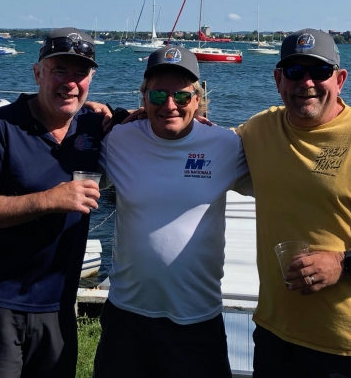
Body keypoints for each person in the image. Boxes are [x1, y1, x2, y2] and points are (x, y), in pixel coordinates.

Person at [234, 28, 351, 377]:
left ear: (340, 79)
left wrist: (343, 262)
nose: (306, 82)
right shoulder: (259, 130)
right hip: (276, 339)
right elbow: (195, 139)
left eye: (319, 71)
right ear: (278, 79)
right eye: (294, 71)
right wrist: (131, 117)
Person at [92, 45, 251, 378]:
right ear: (144, 97)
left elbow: (282, 179)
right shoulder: (119, 139)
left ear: (197, 98)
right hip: (127, 315)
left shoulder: (225, 144)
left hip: (197, 319)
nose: (169, 106)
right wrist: (108, 113)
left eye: (181, 97)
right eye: (158, 95)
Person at [0, 27, 108, 378]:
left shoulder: (94, 124)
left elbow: (153, 117)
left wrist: (184, 118)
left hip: (59, 305)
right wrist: (49, 200)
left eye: (80, 73)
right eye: (59, 71)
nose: (70, 83)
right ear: (38, 73)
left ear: (90, 79)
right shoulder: (0, 126)